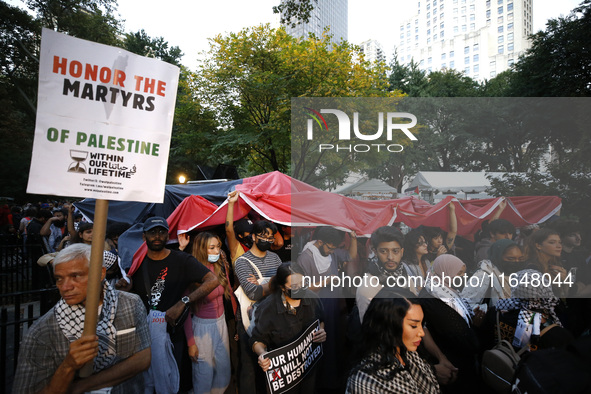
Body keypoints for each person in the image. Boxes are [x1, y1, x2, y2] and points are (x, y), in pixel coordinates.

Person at [13, 244, 151, 393]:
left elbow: (143, 358)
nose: (65, 287)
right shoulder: (42, 332)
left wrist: (81, 386)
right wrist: (68, 367)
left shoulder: (130, 304)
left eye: (75, 276)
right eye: (59, 279)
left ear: (100, 273)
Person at [129, 216, 219, 394]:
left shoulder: (181, 260)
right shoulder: (136, 262)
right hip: (142, 336)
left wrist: (183, 302)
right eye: (152, 232)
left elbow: (213, 280)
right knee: (147, 384)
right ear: (143, 236)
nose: (157, 236)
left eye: (161, 231)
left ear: (167, 235)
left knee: (173, 383)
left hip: (173, 336)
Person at [250, 263, 327, 393]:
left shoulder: (312, 298)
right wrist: (262, 354)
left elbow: (321, 319)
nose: (301, 288)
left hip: (308, 370)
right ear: (282, 287)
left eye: (303, 283)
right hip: (283, 376)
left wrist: (321, 331)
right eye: (294, 286)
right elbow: (257, 340)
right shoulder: (268, 308)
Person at [346, 291, 440, 394]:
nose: (421, 333)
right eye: (413, 326)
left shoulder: (410, 355)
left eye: (422, 324)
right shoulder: (366, 380)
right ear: (390, 325)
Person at [420, 254, 485, 393]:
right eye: (459, 273)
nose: (463, 276)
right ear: (445, 271)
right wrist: (474, 328)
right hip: (453, 365)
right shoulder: (434, 299)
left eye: (463, 272)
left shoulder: (442, 289)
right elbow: (460, 337)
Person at [182, 232, 236, 394]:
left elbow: (230, 294)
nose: (217, 251)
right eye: (211, 248)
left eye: (218, 247)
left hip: (222, 324)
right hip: (202, 328)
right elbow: (185, 309)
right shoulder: (192, 273)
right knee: (203, 377)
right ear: (201, 249)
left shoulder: (220, 267)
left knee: (224, 373)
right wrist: (191, 342)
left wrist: (236, 320)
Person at [234, 219, 283, 394]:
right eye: (263, 236)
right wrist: (276, 282)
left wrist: (263, 284)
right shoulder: (242, 262)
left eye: (271, 237)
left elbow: (283, 288)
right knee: (248, 369)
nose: (268, 240)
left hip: (273, 319)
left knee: (269, 365)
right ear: (253, 237)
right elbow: (253, 293)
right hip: (250, 322)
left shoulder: (276, 258)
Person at [356, 226, 416, 322]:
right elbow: (369, 328)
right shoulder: (368, 287)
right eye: (383, 251)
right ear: (375, 252)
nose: (390, 257)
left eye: (395, 251)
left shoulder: (404, 275)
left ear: (402, 252)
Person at [461, 239, 524, 309]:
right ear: (498, 257)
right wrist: (489, 310)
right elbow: (465, 304)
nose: (516, 262)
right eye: (511, 259)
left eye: (520, 259)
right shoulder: (483, 276)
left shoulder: (517, 276)